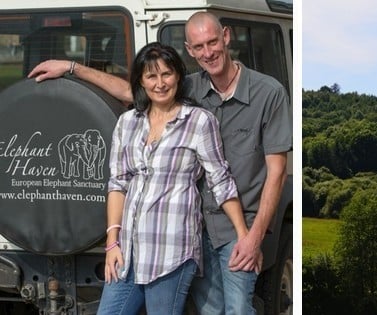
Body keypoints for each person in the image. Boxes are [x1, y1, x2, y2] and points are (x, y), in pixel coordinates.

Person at [28, 11, 292, 315]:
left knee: (237, 308)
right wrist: (72, 67)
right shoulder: (187, 89)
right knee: (209, 310)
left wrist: (252, 237)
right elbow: (135, 91)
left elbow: (275, 172)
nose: (208, 52)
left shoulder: (266, 93)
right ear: (190, 51)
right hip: (193, 224)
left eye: (213, 42)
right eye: (199, 46)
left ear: (227, 37)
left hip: (237, 224)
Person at [96, 41, 248, 315]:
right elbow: (117, 183)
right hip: (127, 252)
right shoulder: (128, 122)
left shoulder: (199, 122)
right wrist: (112, 242)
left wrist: (243, 235)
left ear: (178, 75)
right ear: (141, 81)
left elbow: (220, 180)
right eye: (151, 76)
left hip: (172, 252)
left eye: (166, 74)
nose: (160, 83)